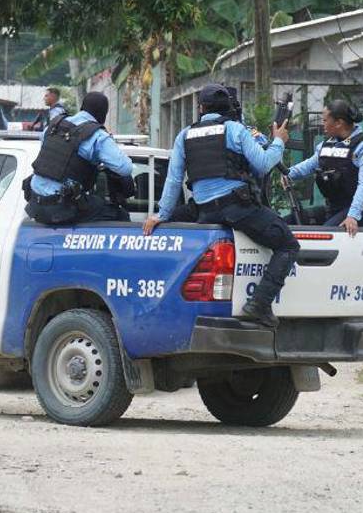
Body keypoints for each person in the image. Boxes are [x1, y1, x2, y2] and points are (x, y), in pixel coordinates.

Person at [143, 83, 297, 329]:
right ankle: (259, 303)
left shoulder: (185, 135)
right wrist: (279, 141)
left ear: (201, 108)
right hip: (237, 209)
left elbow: (173, 180)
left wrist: (161, 215)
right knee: (288, 245)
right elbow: (265, 164)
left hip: (204, 210)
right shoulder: (235, 130)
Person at [24, 91, 133, 225]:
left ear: (82, 108)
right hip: (61, 208)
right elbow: (125, 168)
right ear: (103, 114)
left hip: (35, 203)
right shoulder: (98, 136)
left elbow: (46, 146)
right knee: (119, 214)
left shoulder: (54, 125)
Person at [283, 98, 363, 237]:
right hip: (335, 209)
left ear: (339, 123)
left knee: (322, 235)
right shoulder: (327, 145)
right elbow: (308, 166)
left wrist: (353, 216)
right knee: (286, 223)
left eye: (325, 120)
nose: (322, 124)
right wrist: (287, 174)